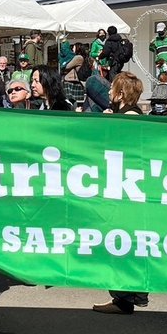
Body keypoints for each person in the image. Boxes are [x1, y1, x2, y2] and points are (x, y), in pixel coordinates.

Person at [92, 71, 146, 315]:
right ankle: (126, 296)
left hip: (126, 188)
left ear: (122, 92)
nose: (109, 92)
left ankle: (127, 297)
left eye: (113, 88)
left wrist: (109, 127)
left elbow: (125, 149)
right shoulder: (124, 115)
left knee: (124, 241)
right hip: (124, 186)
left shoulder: (130, 117)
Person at [61, 42, 91, 106]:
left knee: (71, 101)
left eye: (74, 47)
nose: (72, 49)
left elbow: (67, 66)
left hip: (72, 81)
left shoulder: (78, 57)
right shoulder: (79, 57)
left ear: (77, 48)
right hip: (74, 80)